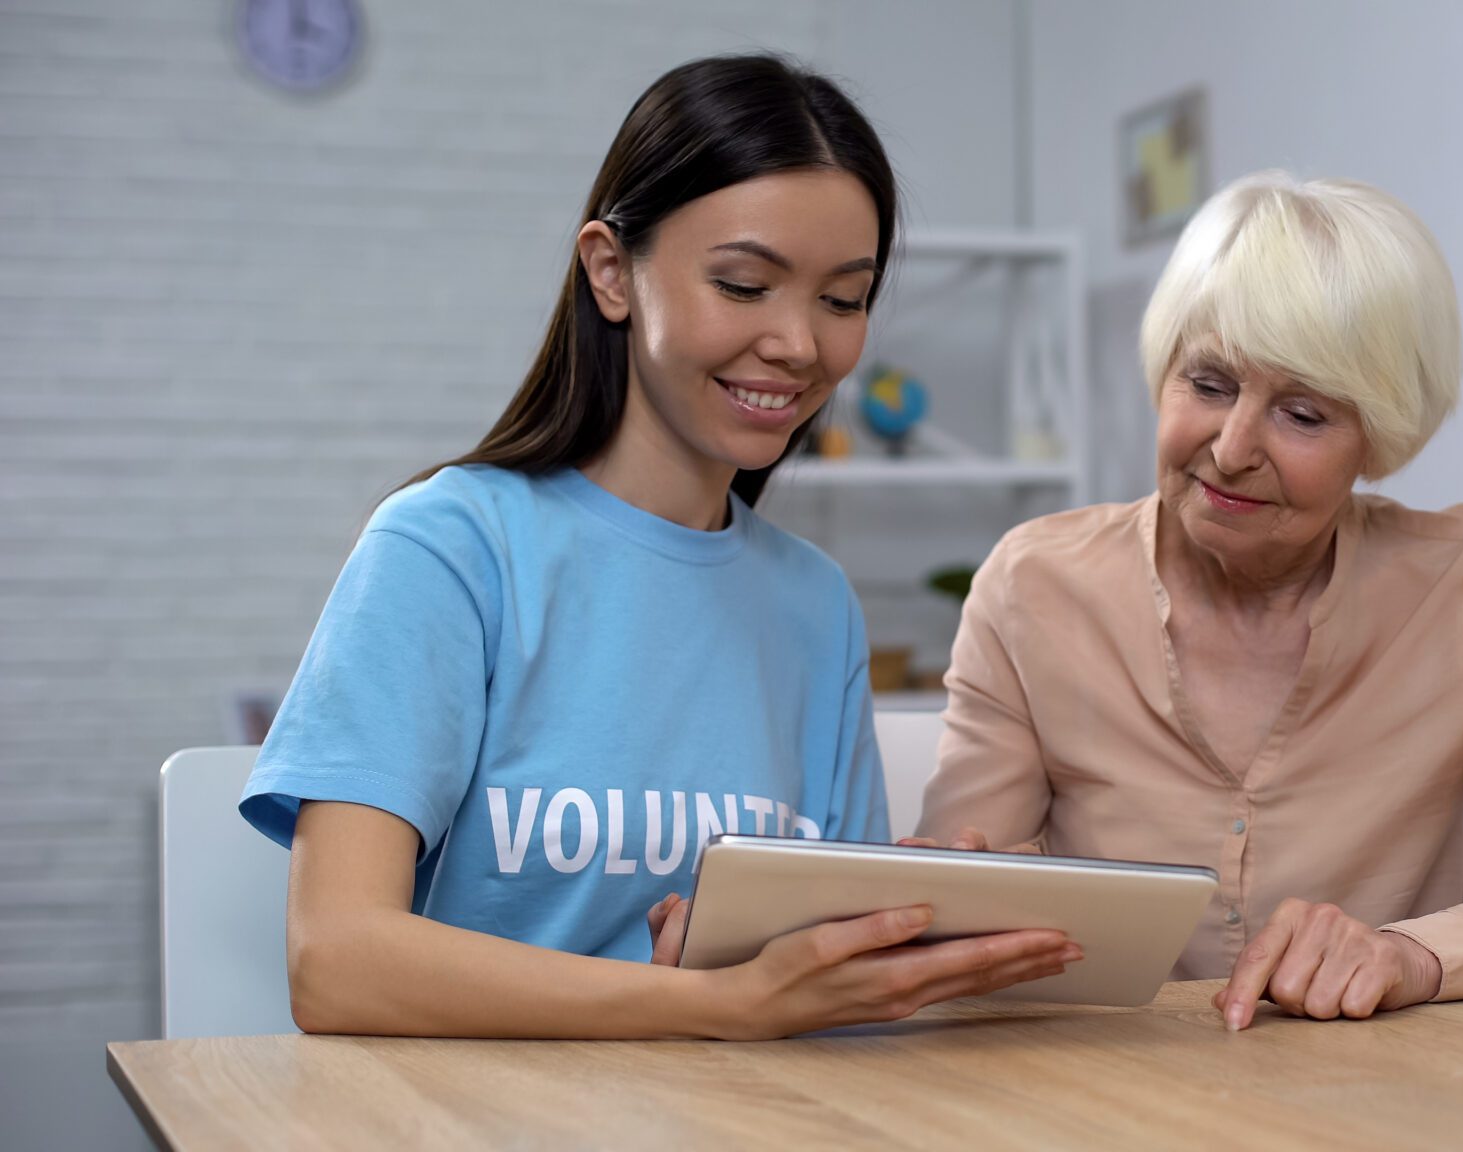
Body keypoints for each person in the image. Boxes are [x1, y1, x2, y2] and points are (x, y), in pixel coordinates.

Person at [241, 54, 1079, 1042]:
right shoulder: (450, 547)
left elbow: (809, 1001)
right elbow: (335, 961)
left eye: (842, 301)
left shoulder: (812, 602)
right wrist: (708, 1006)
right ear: (611, 271)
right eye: (743, 284)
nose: (799, 345)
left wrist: (903, 930)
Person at [914, 171, 1463, 1030]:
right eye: (1210, 384)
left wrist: (1415, 955)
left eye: (1301, 414)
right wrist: (929, 900)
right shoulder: (1034, 584)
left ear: (1380, 434)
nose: (1230, 449)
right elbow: (957, 905)